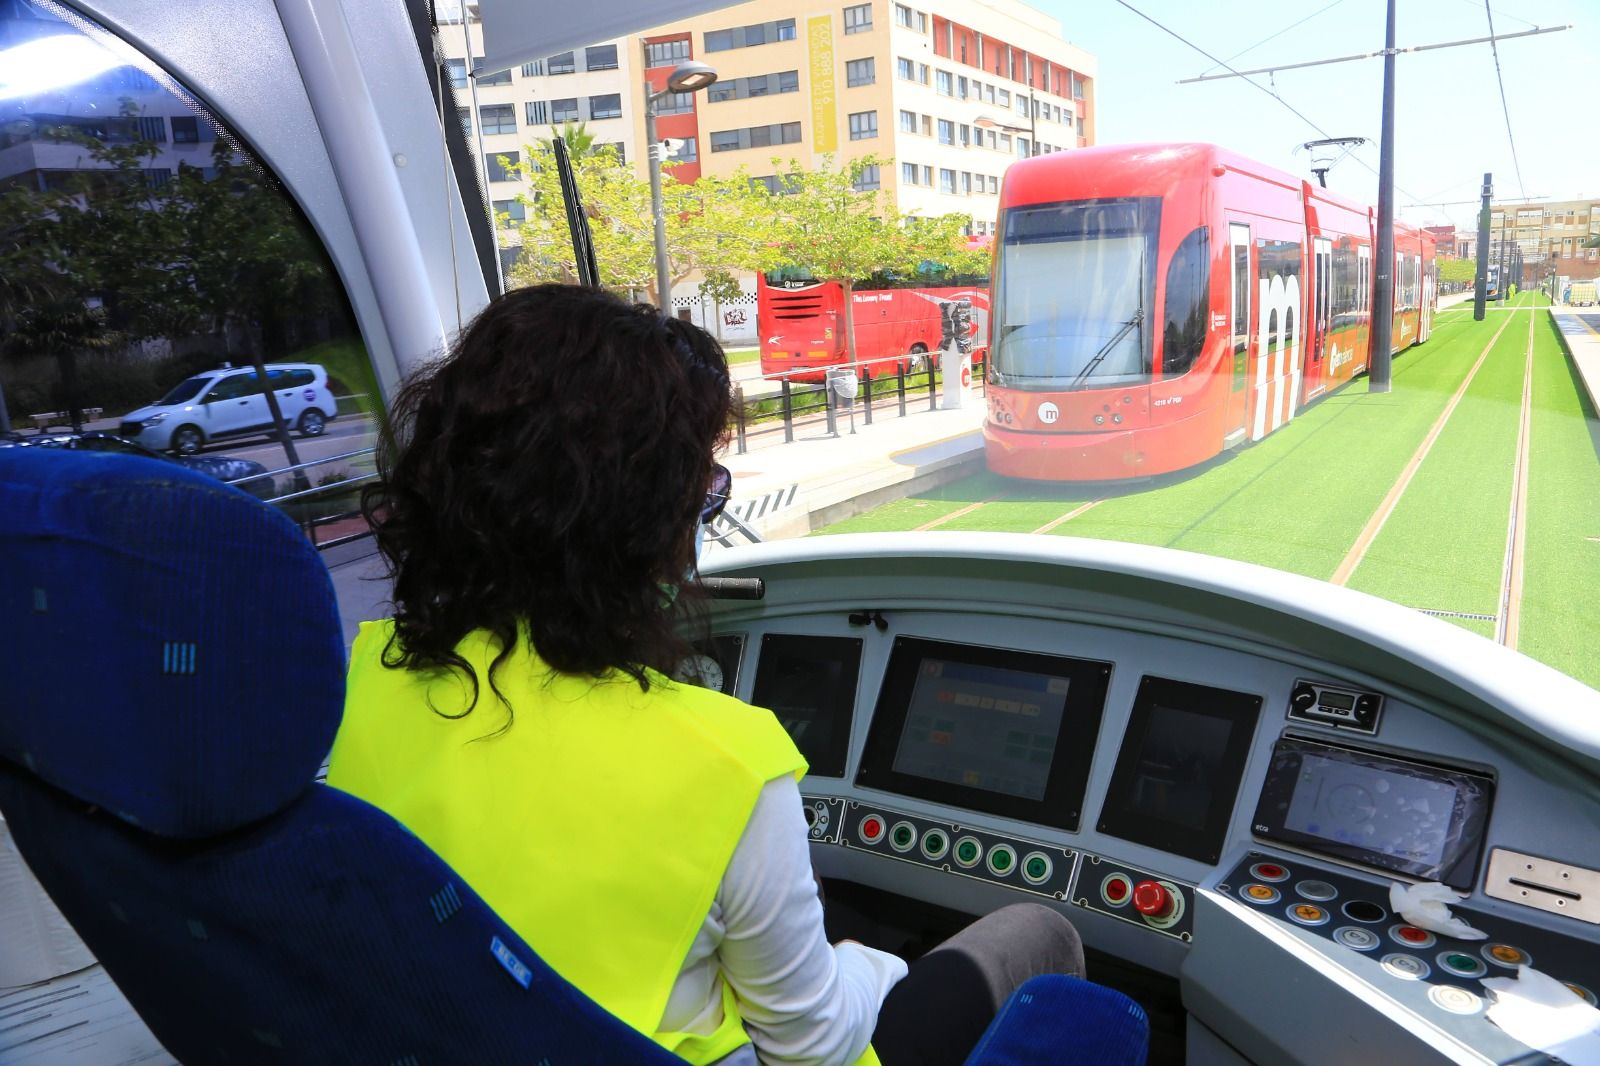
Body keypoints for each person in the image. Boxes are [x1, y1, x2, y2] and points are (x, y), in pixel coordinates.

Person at [327, 285, 1083, 1066]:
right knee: (1041, 934)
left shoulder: (365, 683)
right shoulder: (731, 767)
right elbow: (812, 1047)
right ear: (649, 527)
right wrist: (876, 967)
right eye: (701, 494)